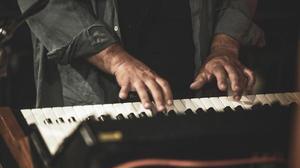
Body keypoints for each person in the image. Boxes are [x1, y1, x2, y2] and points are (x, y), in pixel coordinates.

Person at [17, 0, 265, 111]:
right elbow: (46, 5)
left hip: (199, 93)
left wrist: (224, 47)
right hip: (95, 98)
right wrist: (115, 59)